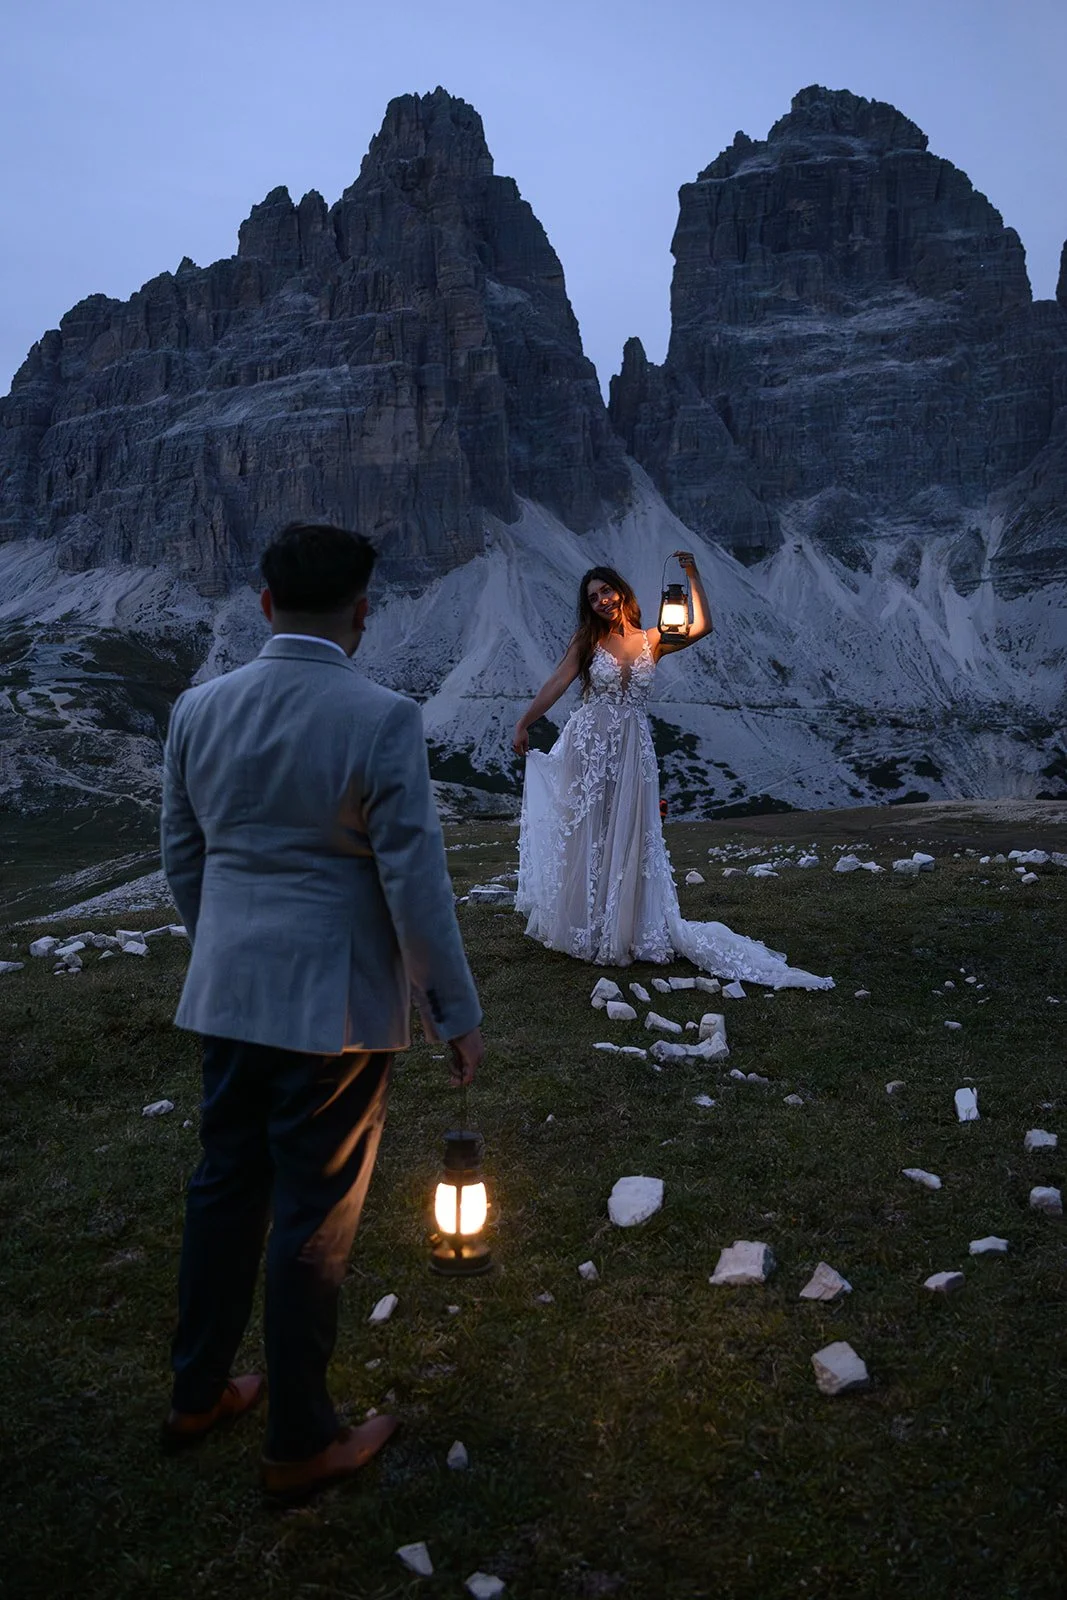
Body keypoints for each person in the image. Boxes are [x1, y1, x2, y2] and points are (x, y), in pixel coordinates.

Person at [159, 522, 484, 1503]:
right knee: (311, 1217)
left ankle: (196, 1391)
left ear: (264, 605)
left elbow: (183, 858)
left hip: (228, 992)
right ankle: (301, 1438)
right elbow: (413, 880)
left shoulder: (196, 709)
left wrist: (225, 949)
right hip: (333, 1007)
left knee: (223, 1189)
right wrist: (450, 1008)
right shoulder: (379, 715)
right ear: (360, 613)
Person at [512, 554, 833, 990]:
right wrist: (524, 722)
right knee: (592, 829)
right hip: (589, 745)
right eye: (593, 597)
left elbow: (703, 627)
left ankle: (625, 927)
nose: (602, 601)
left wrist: (692, 576)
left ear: (620, 591)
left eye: (606, 591)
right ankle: (587, 926)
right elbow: (557, 681)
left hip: (634, 749)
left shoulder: (652, 638)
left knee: (632, 834)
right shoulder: (587, 640)